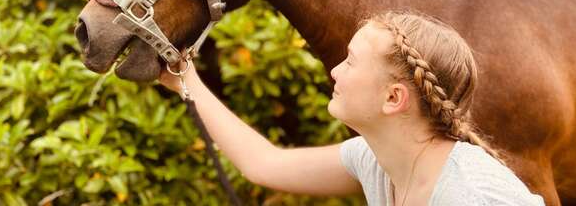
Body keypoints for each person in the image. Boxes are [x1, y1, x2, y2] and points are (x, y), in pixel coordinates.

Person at [159, 11, 545, 205]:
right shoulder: (378, 159)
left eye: (351, 61)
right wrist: (184, 79)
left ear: (393, 99)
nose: (334, 70)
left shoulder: (468, 196)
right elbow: (265, 164)